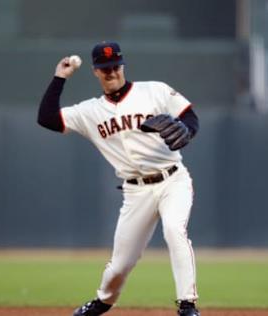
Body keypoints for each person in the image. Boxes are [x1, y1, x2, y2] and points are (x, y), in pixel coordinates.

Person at [37, 41, 200, 316]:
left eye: (115, 66)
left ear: (122, 66)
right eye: (105, 68)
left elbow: (190, 117)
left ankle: (187, 305)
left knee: (175, 231)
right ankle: (103, 301)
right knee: (120, 265)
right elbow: (47, 118)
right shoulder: (89, 111)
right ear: (95, 72)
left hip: (173, 180)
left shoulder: (154, 90)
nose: (111, 72)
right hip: (135, 192)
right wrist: (59, 78)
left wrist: (187, 130)